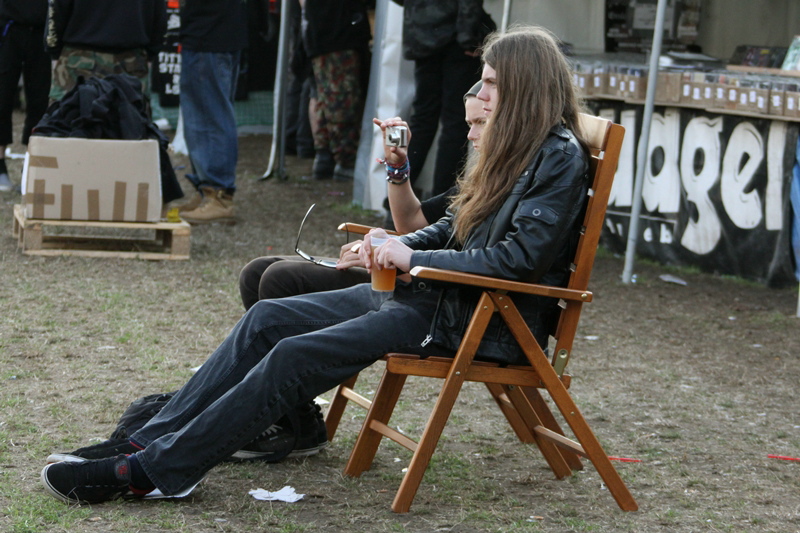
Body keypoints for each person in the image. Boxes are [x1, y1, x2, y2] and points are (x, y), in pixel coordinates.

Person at [40, 26, 591, 505]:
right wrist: (394, 243)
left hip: (473, 319)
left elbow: (518, 260)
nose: (479, 91)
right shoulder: (514, 147)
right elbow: (452, 225)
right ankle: (146, 444)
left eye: (491, 82)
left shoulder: (558, 156)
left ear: (525, 85)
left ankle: (160, 473)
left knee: (293, 352)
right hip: (437, 299)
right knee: (267, 319)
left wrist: (412, 255)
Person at [238, 81, 486, 309]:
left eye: (480, 123)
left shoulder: (510, 189)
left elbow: (474, 265)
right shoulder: (484, 180)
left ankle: (284, 357)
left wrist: (394, 256)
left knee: (279, 277)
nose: (470, 135)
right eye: (469, 124)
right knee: (256, 272)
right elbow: (411, 223)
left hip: (432, 293)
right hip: (408, 272)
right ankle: (268, 357)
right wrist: (397, 166)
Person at [393, 0, 494, 197]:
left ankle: (399, 197)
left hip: (422, 35)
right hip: (454, 39)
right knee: (454, 124)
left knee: (423, 119)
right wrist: (468, 36)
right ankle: (441, 203)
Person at [177, 0, 247, 225]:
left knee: (209, 116)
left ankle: (218, 195)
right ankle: (210, 192)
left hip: (208, 34)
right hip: (217, 32)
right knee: (210, 114)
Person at [44, 0, 167, 104]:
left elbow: (56, 12)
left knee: (70, 124)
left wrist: (54, 51)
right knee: (130, 125)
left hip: (79, 61)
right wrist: (151, 53)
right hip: (131, 60)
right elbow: (160, 17)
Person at [301, 0, 370, 181]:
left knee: (323, 98)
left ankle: (326, 157)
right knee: (341, 100)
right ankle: (343, 160)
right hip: (336, 34)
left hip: (324, 33)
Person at [0, 0, 50, 192]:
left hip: (41, 30)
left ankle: (31, 166)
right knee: (3, 96)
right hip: (9, 26)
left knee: (39, 100)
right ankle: (0, 165)